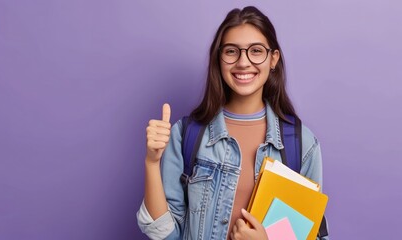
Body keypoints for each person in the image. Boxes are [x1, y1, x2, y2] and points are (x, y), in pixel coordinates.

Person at [137, 6, 327, 240]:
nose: (243, 62)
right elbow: (166, 233)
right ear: (219, 58)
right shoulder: (187, 135)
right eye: (231, 51)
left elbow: (313, 236)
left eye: (256, 51)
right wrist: (151, 162)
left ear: (273, 59)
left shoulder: (302, 145)